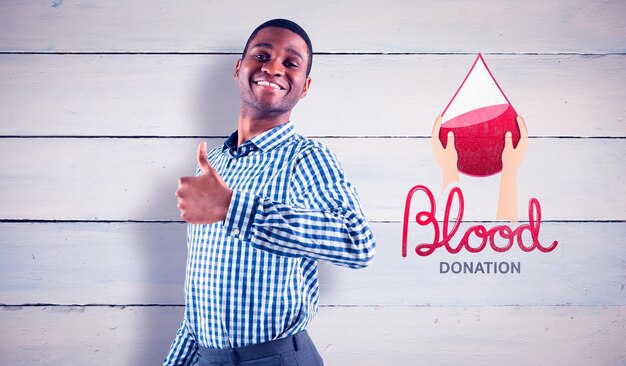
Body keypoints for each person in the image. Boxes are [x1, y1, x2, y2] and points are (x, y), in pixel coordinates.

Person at [164, 19, 376, 366]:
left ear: (305, 87)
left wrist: (232, 208)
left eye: (290, 63)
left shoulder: (305, 158)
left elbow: (358, 243)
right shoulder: (213, 164)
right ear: (239, 67)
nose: (273, 67)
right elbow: (200, 300)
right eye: (261, 54)